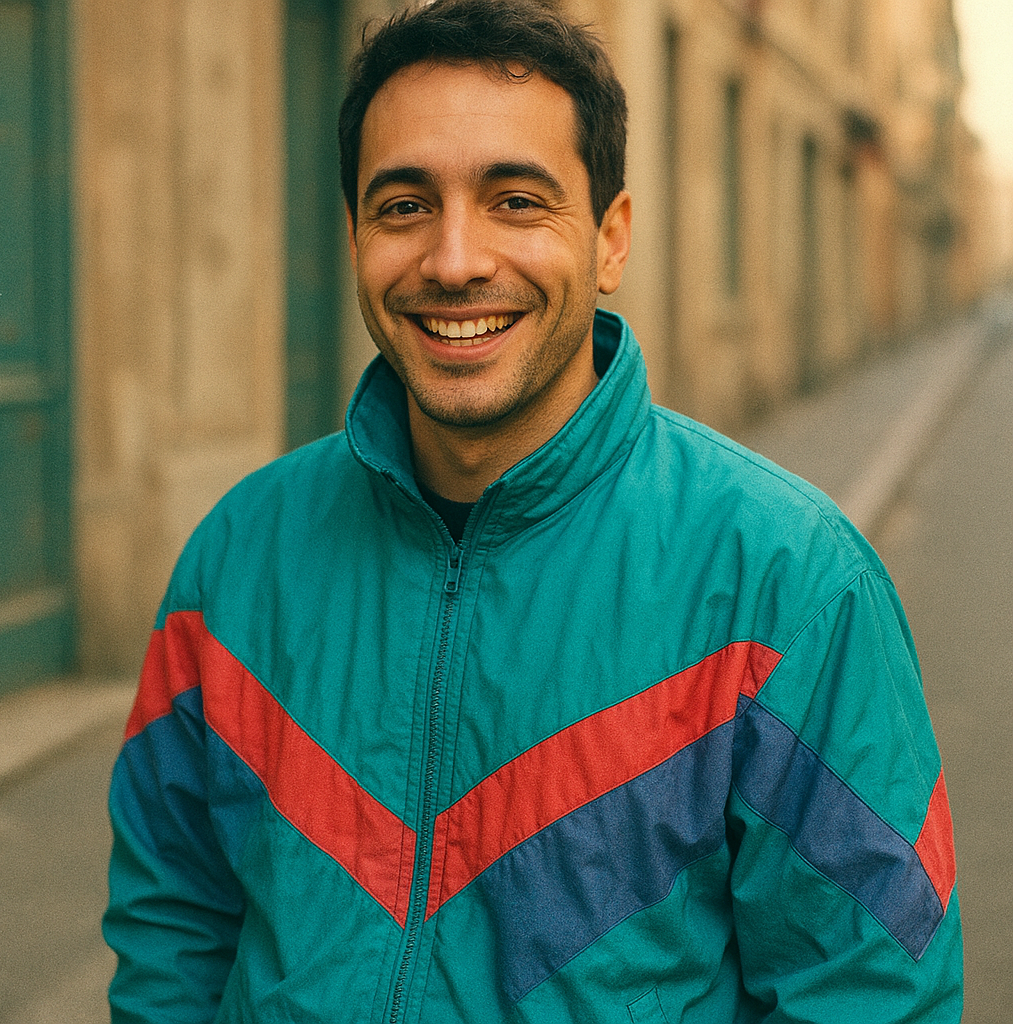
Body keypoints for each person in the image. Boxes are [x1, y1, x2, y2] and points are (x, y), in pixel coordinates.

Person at [104, 1, 963, 1020]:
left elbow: (867, 990)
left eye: (515, 201)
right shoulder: (237, 559)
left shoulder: (790, 583)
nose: (454, 260)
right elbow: (172, 930)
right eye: (403, 205)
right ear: (356, 236)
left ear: (610, 240)